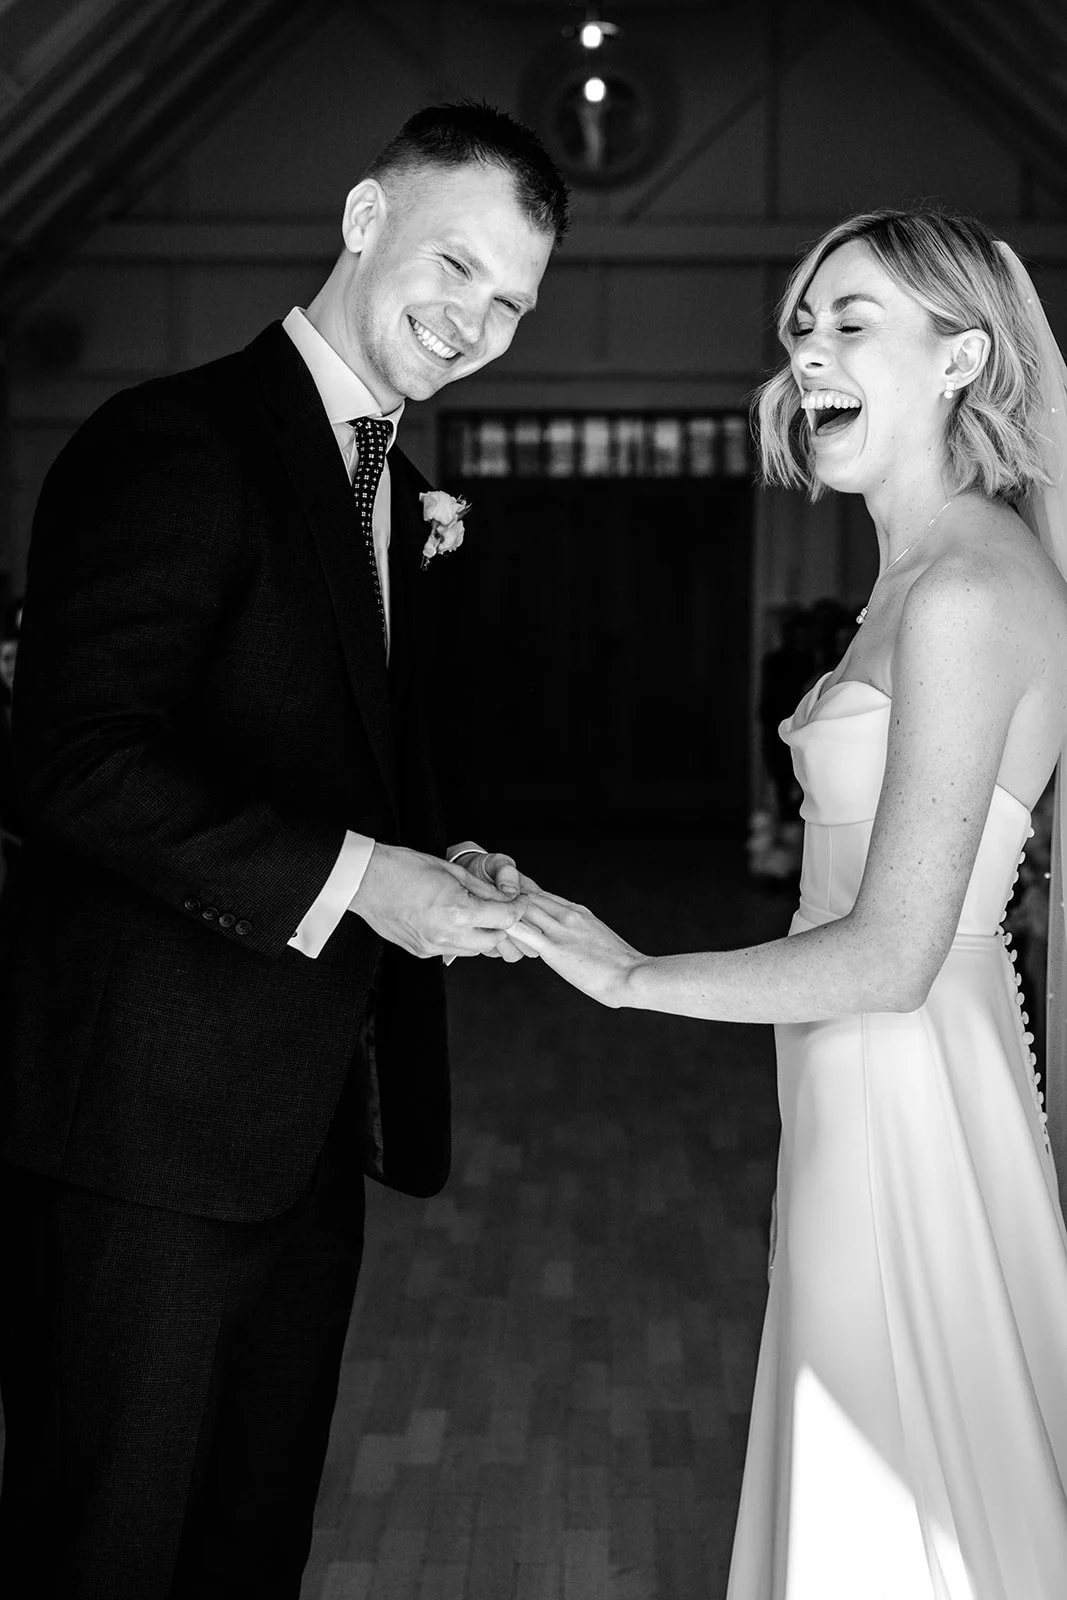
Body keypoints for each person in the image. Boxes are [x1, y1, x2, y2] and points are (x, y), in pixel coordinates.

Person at [0, 103, 567, 1599]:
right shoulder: (172, 441)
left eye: (511, 302)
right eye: (457, 264)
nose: (476, 321)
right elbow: (69, 763)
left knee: (247, 1546)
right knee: (104, 1548)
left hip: (301, 1122)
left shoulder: (381, 480)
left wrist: (437, 854)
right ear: (364, 219)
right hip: (140, 1137)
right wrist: (362, 879)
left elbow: (320, 755)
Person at [509, 210, 1067, 1597]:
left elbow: (888, 956)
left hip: (905, 1086)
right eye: (800, 326)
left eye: (851, 321)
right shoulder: (911, 580)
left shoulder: (962, 591)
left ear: (960, 359)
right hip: (853, 1079)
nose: (808, 350)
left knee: (888, 1479)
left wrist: (630, 972)